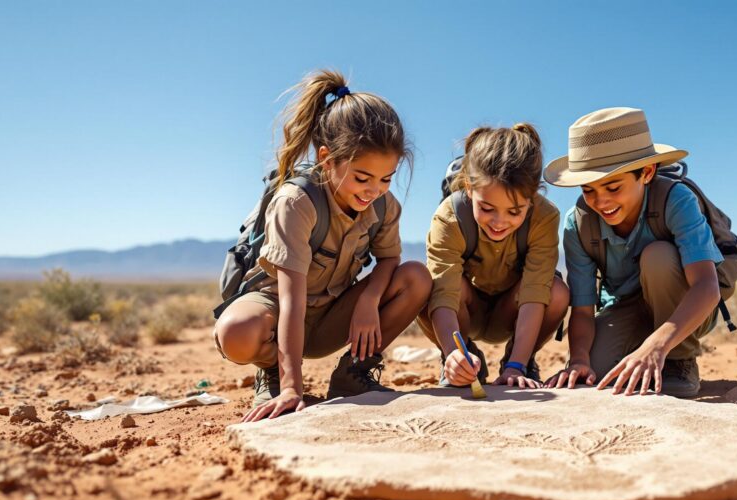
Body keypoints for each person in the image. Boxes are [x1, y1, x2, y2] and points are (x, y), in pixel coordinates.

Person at [213, 70, 432, 422]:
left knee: (417, 277)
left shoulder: (382, 204)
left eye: (386, 179)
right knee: (235, 333)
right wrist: (291, 388)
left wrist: (369, 301)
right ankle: (273, 376)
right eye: (362, 177)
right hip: (279, 309)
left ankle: (353, 375)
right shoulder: (296, 202)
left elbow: (390, 259)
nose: (373, 189)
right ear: (327, 158)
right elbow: (291, 300)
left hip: (332, 312)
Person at [545, 107, 724, 398]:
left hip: (686, 306)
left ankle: (678, 359)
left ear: (647, 172)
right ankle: (645, 349)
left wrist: (656, 347)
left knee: (658, 256)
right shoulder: (577, 223)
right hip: (625, 308)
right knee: (596, 377)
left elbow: (707, 287)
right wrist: (578, 359)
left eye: (613, 187)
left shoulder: (676, 200)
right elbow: (582, 308)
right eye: (588, 190)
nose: (601, 202)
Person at [417, 124, 569, 389]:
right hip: (465, 311)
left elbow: (535, 292)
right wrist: (454, 353)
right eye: (487, 208)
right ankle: (460, 360)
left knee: (556, 292)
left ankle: (520, 358)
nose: (499, 222)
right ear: (468, 186)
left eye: (515, 212)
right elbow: (444, 294)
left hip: (512, 311)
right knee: (424, 283)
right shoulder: (449, 216)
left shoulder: (545, 217)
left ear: (533, 196)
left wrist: (516, 366)